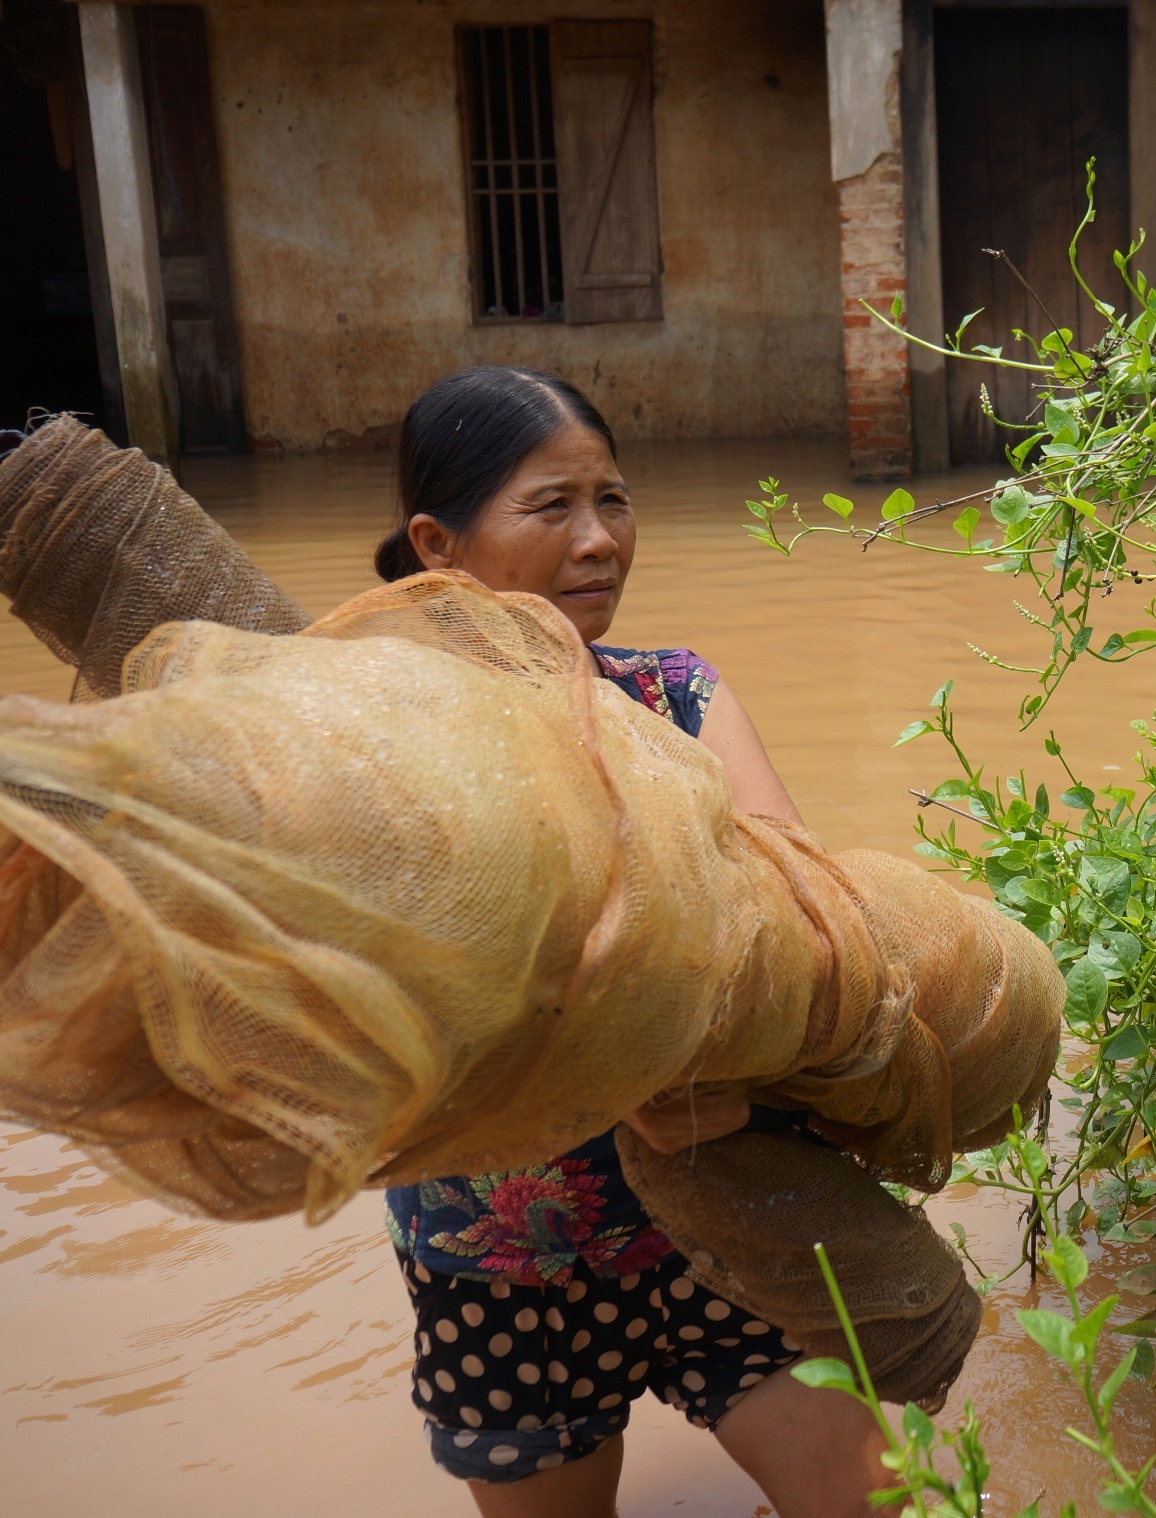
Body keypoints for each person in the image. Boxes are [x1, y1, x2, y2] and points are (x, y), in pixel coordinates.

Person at [374, 367, 886, 1518]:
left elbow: (802, 926)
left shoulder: (675, 694)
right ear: (439, 543)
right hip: (505, 1265)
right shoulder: (379, 737)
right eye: (551, 506)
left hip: (722, 1206)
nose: (599, 538)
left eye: (611, 498)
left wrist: (739, 1074)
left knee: (877, 1502)